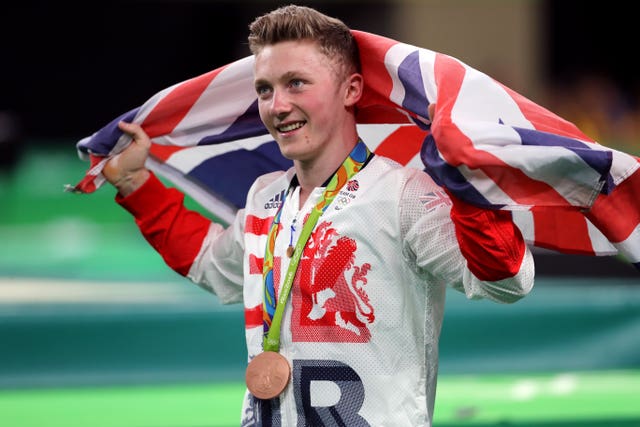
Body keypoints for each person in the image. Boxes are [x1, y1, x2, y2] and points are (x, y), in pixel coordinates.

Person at [102, 5, 534, 426]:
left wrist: (469, 189)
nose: (277, 106)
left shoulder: (404, 195)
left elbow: (509, 282)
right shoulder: (265, 199)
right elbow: (208, 263)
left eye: (296, 83)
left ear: (351, 90)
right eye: (265, 89)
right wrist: (136, 184)